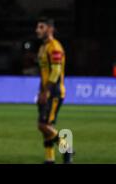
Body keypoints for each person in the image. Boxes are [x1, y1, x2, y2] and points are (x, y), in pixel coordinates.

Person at [35, 17, 73, 164]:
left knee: (43, 125)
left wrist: (46, 92)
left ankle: (67, 147)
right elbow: (43, 72)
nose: (37, 30)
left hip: (54, 92)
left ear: (50, 29)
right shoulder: (43, 48)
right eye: (37, 27)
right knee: (47, 127)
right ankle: (49, 159)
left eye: (41, 27)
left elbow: (56, 72)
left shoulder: (55, 47)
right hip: (46, 91)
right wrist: (41, 91)